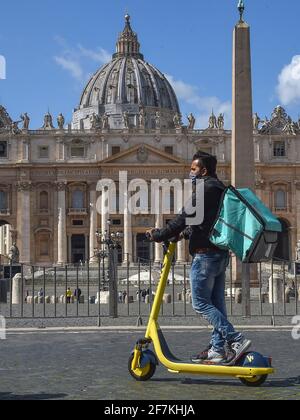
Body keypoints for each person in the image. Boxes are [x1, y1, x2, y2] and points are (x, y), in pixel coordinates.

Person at [146, 151, 251, 365]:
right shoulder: (220, 188)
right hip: (220, 254)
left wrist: (160, 235)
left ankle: (235, 339)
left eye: (193, 169)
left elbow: (183, 218)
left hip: (205, 256)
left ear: (203, 170)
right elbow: (201, 222)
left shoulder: (205, 189)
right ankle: (217, 349)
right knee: (217, 304)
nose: (190, 172)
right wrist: (182, 235)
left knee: (200, 303)